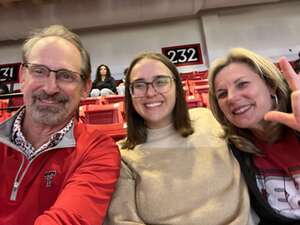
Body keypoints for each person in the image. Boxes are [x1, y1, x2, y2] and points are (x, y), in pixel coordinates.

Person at [106, 52, 255, 225]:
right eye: (139, 85)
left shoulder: (207, 118)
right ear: (130, 94)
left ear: (176, 86)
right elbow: (123, 220)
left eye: (160, 81)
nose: (150, 92)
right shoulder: (122, 155)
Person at [0, 25, 120, 225]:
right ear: (22, 76)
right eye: (39, 71)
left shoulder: (98, 149)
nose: (50, 88)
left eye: (66, 76)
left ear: (85, 88)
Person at [208, 47, 300, 225]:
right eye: (222, 94)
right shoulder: (235, 151)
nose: (232, 98)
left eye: (242, 84)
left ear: (270, 85)